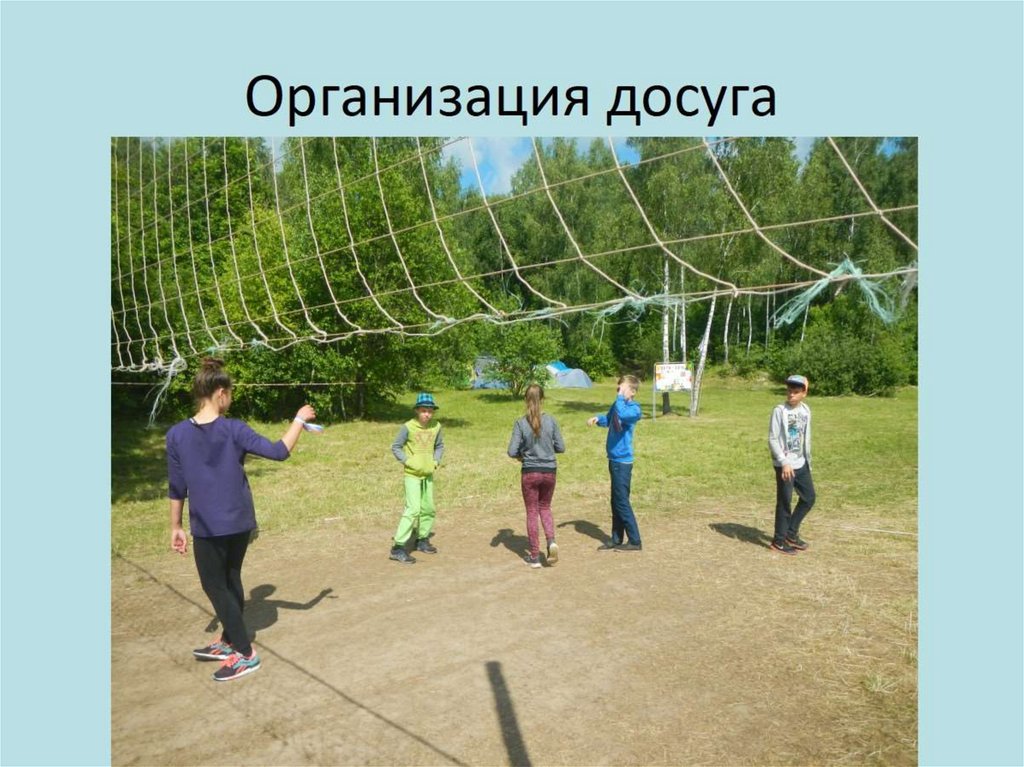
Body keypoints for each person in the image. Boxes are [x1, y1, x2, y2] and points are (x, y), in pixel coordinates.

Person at [166, 358, 317, 682]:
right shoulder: (230, 429)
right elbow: (280, 450)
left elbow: (176, 488)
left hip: (215, 525)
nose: (231, 399)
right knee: (229, 580)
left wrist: (176, 526)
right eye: (231, 394)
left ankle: (246, 654)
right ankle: (229, 640)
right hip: (236, 523)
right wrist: (298, 420)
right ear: (221, 393)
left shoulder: (177, 434)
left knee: (215, 584)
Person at [507, 384, 566, 568]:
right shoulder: (551, 421)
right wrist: (548, 449)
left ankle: (534, 556)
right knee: (545, 508)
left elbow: (511, 451)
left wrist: (523, 455)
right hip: (549, 471)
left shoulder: (520, 423)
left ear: (526, 400)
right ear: (543, 399)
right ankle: (551, 541)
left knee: (532, 511)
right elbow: (561, 447)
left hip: (530, 472)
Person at [587, 375, 643, 551]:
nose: (619, 391)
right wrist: (598, 419)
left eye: (622, 388)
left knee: (622, 501)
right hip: (613, 459)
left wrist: (620, 398)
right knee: (616, 501)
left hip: (623, 462)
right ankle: (617, 538)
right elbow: (610, 419)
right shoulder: (618, 405)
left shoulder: (634, 409)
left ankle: (635, 541)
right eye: (618, 388)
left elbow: (623, 415)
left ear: (632, 391)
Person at [389, 392, 445, 564]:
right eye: (424, 411)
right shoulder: (408, 427)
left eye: (430, 411)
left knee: (428, 508)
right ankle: (398, 548)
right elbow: (396, 447)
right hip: (412, 475)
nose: (427, 414)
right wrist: (408, 461)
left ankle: (422, 540)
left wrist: (435, 461)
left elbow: (439, 445)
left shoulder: (436, 426)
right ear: (417, 411)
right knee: (412, 509)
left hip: (428, 474)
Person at [768, 374, 817, 555]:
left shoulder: (805, 410)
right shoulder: (779, 411)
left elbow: (806, 438)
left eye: (796, 392)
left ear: (804, 393)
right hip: (785, 465)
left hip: (801, 463)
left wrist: (807, 461)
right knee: (785, 502)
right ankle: (779, 541)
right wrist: (784, 462)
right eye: (789, 391)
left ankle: (791, 533)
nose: (791, 395)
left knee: (809, 498)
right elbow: (773, 439)